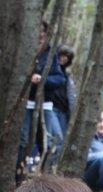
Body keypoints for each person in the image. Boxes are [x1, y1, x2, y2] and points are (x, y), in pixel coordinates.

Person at [17, 21, 66, 175]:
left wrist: (43, 79)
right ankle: (19, 172)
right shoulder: (23, 50)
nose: (40, 38)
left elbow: (60, 79)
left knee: (50, 140)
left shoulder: (51, 55)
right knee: (23, 139)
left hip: (45, 105)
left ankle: (44, 174)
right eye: (38, 34)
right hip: (26, 104)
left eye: (43, 35)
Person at [51, 44, 77, 150]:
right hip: (52, 108)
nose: (65, 58)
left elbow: (71, 95)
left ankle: (52, 161)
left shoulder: (67, 76)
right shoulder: (50, 69)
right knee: (57, 138)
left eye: (68, 57)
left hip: (64, 112)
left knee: (61, 143)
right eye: (63, 55)